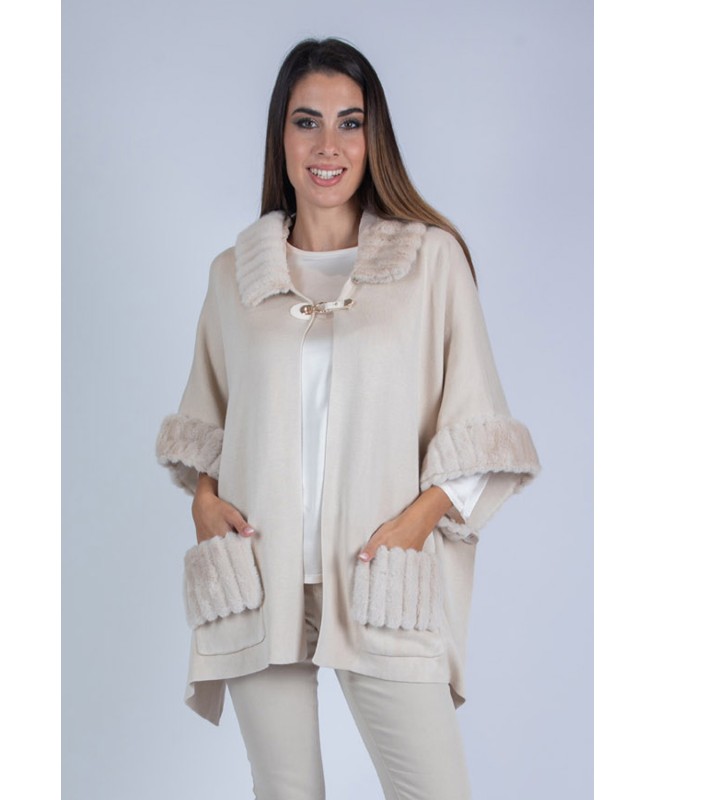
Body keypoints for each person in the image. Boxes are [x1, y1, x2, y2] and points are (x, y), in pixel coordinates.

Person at [155, 36, 540, 800]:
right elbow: (207, 417)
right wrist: (203, 499)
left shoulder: (430, 262)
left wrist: (415, 525)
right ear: (281, 135)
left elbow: (477, 423)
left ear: (374, 137)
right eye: (307, 122)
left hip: (380, 572)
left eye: (349, 122)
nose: (327, 145)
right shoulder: (235, 275)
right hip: (258, 575)